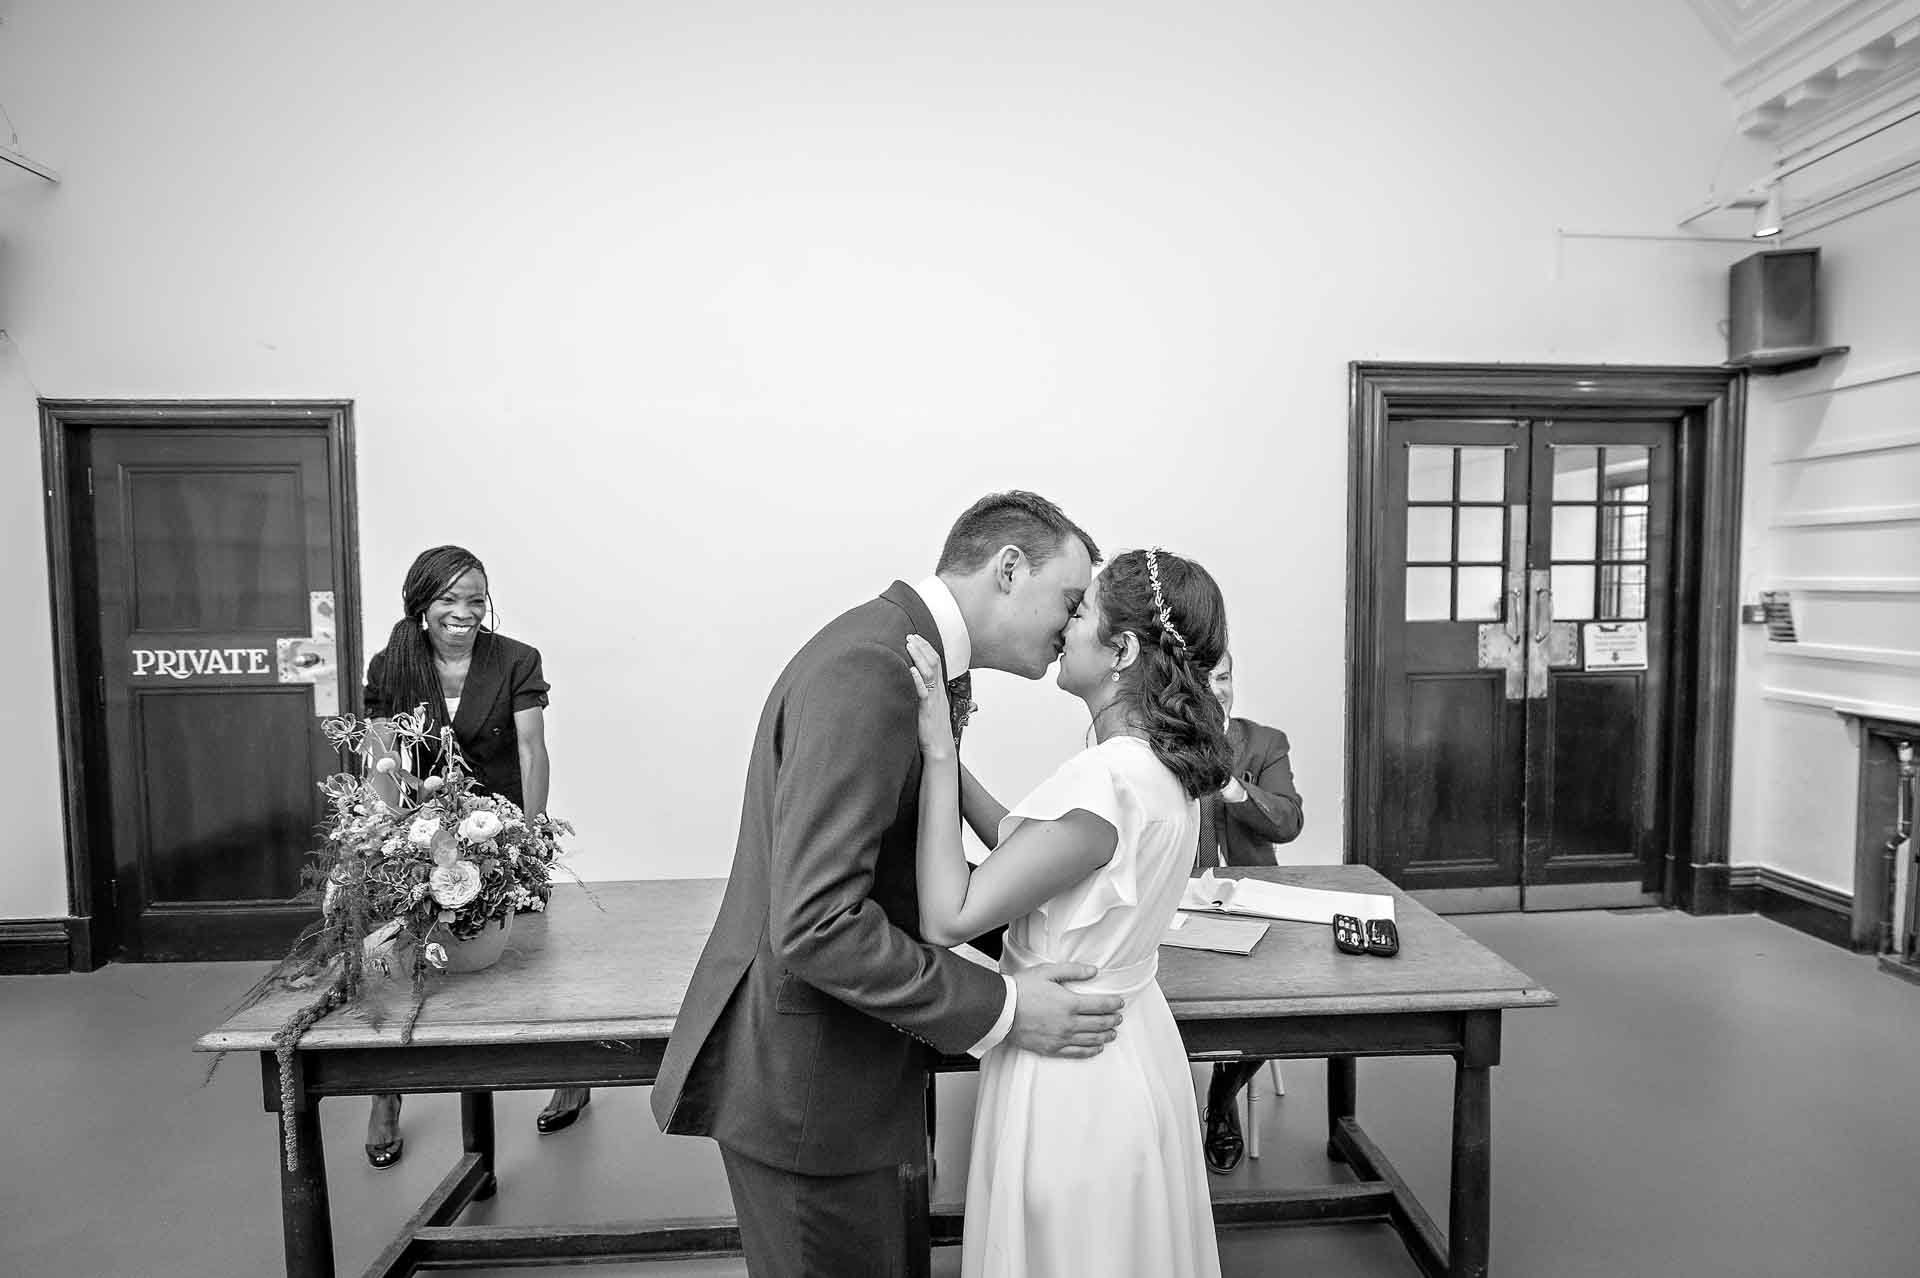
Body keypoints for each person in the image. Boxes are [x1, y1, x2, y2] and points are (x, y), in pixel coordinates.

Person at [651, 492, 1126, 1278]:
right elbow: (817, 925)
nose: (1073, 627)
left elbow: (900, 865)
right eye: (1071, 601)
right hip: (812, 1091)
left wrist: (1036, 937)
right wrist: (1006, 1009)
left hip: (856, 1074)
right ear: (1009, 569)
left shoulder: (905, 656)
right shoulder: (870, 670)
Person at [906, 545, 1230, 1278]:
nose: (1063, 626)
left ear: (1122, 649)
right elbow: (1027, 850)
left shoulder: (1107, 777)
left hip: (1074, 1069)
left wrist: (931, 757)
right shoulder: (1158, 768)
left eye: (1079, 612)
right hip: (1132, 1042)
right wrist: (956, 756)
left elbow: (949, 916)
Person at [359, 545, 588, 1169]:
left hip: (503, 826)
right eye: (450, 600)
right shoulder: (393, 664)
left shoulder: (516, 659)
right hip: (425, 829)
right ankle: (387, 1095)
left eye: (475, 600)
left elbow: (533, 751)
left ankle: (569, 1072)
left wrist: (532, 838)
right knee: (408, 963)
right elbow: (380, 757)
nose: (465, 612)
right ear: (421, 606)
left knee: (530, 958)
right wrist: (386, 834)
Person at [1193, 648, 1305, 1174]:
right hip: (1178, 910)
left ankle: (1223, 1092)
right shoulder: (1150, 747)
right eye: (1203, 678)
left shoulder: (1264, 743)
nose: (1216, 690)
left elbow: (1287, 823)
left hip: (1251, 907)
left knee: (1281, 1001)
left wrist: (1234, 789)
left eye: (1224, 677)